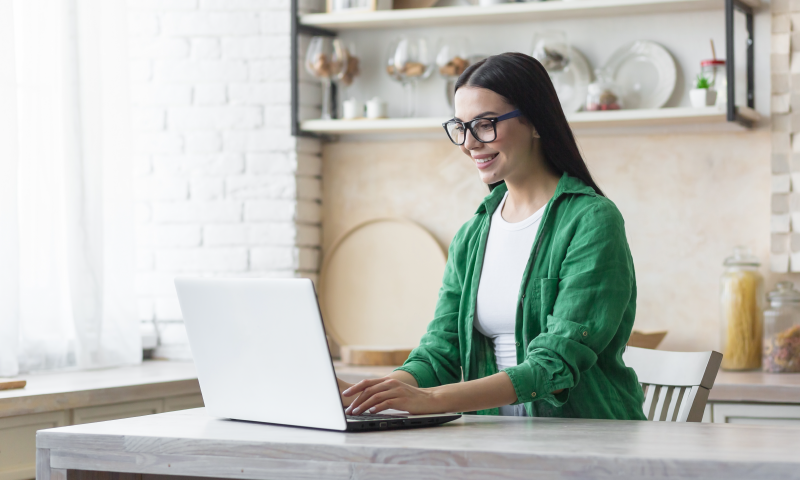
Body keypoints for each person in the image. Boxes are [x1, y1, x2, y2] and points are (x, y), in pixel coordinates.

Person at [338, 52, 646, 420]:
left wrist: (431, 400)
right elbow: (440, 352)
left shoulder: (592, 220)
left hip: (587, 440)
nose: (469, 143)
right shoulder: (472, 234)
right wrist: (368, 393)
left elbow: (555, 363)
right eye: (461, 127)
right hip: (494, 440)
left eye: (485, 125)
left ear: (536, 122)